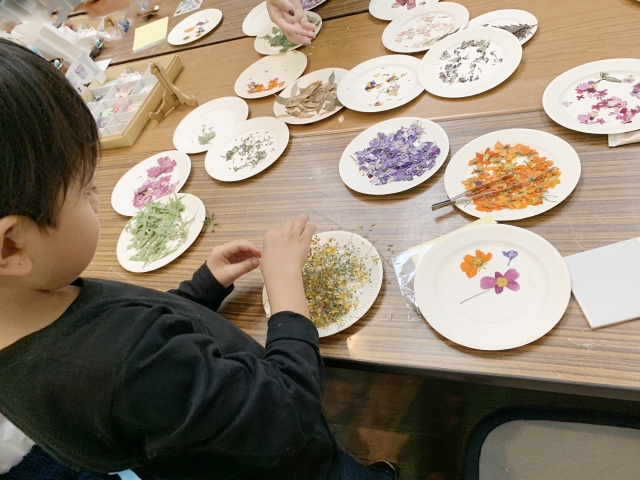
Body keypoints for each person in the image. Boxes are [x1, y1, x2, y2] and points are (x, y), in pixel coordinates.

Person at [0, 40, 398, 480]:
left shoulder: (32, 317)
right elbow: (287, 410)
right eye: (86, 190)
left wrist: (201, 289)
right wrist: (285, 285)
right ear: (11, 247)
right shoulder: (125, 366)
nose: (95, 201)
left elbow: (135, 332)